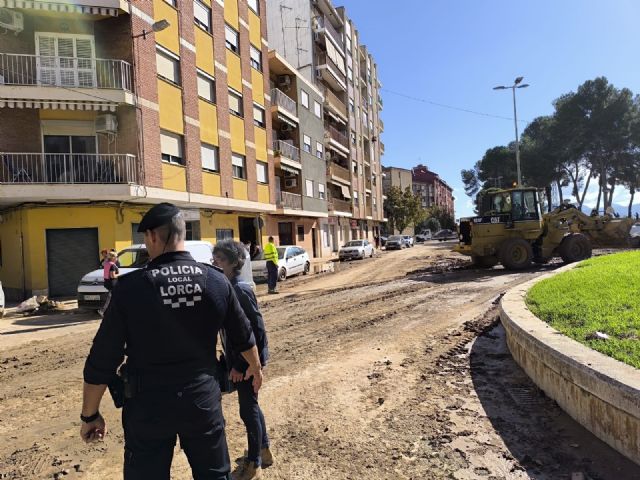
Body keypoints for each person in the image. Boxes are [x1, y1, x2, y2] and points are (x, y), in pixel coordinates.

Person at [80, 202, 263, 480]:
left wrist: (89, 415)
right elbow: (243, 335)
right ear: (182, 234)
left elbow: (103, 359)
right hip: (201, 401)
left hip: (148, 406)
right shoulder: (215, 280)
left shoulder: (131, 288)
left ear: (153, 236)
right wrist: (256, 368)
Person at [213, 240, 272, 480]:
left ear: (233, 263)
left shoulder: (239, 289)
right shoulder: (228, 286)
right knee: (252, 408)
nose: (215, 264)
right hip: (241, 360)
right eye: (214, 260)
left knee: (248, 411)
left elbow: (256, 331)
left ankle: (253, 464)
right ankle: (264, 451)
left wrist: (243, 365)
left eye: (220, 261)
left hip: (248, 363)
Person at [97, 250, 119, 317]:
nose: (117, 258)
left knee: (112, 298)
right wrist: (120, 275)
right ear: (113, 258)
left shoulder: (106, 264)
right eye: (116, 257)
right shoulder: (112, 265)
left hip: (107, 282)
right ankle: (102, 310)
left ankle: (110, 311)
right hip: (112, 283)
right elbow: (112, 276)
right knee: (110, 298)